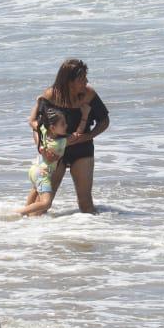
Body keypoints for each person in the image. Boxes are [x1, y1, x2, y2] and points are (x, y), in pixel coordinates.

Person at [30, 59, 109, 214]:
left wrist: (89, 136)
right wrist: (41, 147)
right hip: (55, 152)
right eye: (82, 79)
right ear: (68, 81)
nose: (86, 82)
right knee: (44, 204)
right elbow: (38, 127)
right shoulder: (51, 95)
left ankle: (92, 234)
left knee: (86, 205)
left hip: (82, 150)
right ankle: (32, 233)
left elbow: (104, 121)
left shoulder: (89, 94)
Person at [18, 103, 77, 216]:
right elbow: (77, 135)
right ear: (53, 128)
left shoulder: (44, 132)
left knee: (35, 190)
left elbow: (31, 121)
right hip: (42, 173)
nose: (66, 126)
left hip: (34, 170)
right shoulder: (60, 142)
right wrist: (85, 116)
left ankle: (24, 214)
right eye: (63, 124)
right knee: (46, 203)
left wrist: (37, 103)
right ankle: (16, 213)